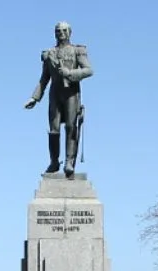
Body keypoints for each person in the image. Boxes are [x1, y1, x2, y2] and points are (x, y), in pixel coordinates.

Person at [25, 21, 93, 177]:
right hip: (55, 92)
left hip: (71, 92)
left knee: (71, 127)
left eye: (63, 30)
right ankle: (54, 161)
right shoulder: (50, 54)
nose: (60, 33)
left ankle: (69, 162)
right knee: (54, 130)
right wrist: (34, 98)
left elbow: (89, 70)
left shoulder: (77, 51)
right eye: (57, 31)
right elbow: (44, 79)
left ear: (69, 32)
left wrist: (70, 73)